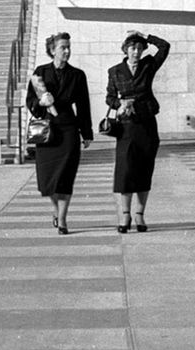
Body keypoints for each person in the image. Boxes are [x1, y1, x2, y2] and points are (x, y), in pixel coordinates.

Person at [25, 32, 92, 234]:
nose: (67, 51)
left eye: (68, 47)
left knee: (65, 177)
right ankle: (55, 210)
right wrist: (40, 103)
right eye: (63, 47)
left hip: (68, 129)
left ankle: (62, 219)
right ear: (53, 50)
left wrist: (86, 132)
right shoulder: (41, 72)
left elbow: (83, 105)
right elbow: (31, 100)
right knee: (47, 180)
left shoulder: (77, 75)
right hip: (46, 131)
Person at [105, 31, 170, 232]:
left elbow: (165, 47)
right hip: (126, 126)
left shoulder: (148, 65)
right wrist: (120, 103)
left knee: (144, 169)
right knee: (125, 171)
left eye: (140, 48)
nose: (136, 52)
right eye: (133, 48)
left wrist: (146, 36)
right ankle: (125, 216)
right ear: (126, 49)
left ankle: (140, 215)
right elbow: (109, 97)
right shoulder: (115, 71)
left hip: (147, 123)